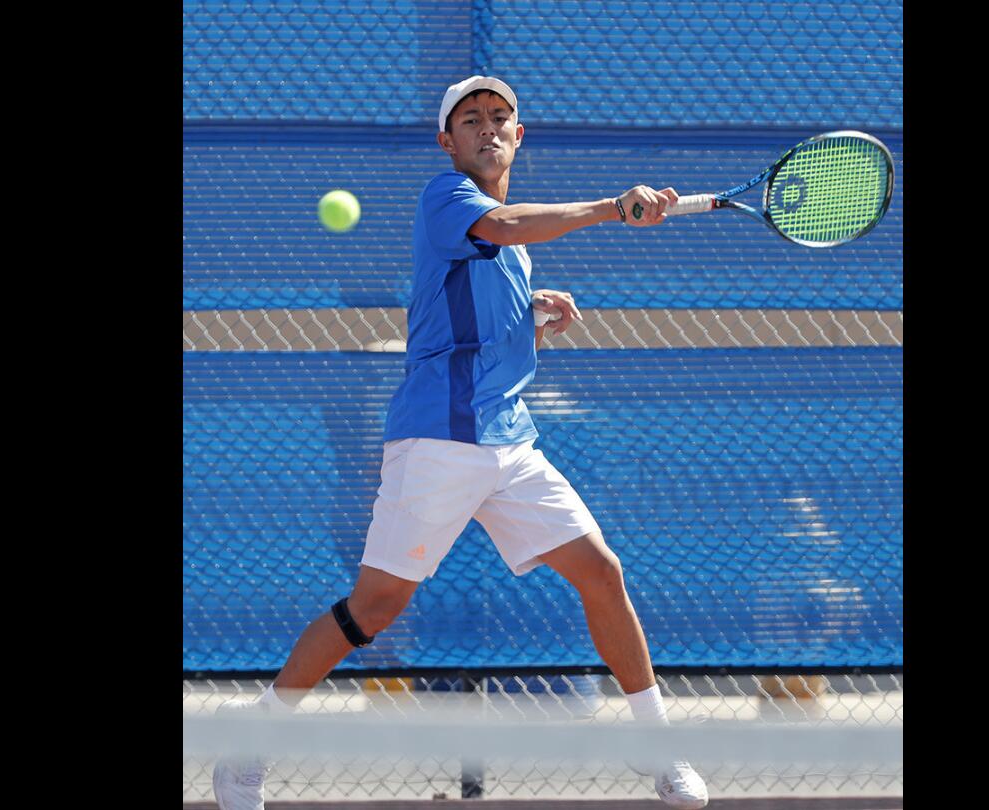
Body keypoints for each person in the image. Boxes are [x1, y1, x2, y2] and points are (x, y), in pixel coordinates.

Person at [212, 75, 708, 810]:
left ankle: (657, 748)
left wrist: (532, 314)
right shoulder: (447, 199)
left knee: (601, 573)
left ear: (518, 135)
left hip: (510, 444)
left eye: (499, 118)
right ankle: (251, 745)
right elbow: (503, 225)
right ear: (449, 142)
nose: (487, 128)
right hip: (437, 442)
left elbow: (474, 308)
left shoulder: (514, 245)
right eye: (470, 120)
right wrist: (611, 209)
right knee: (373, 611)